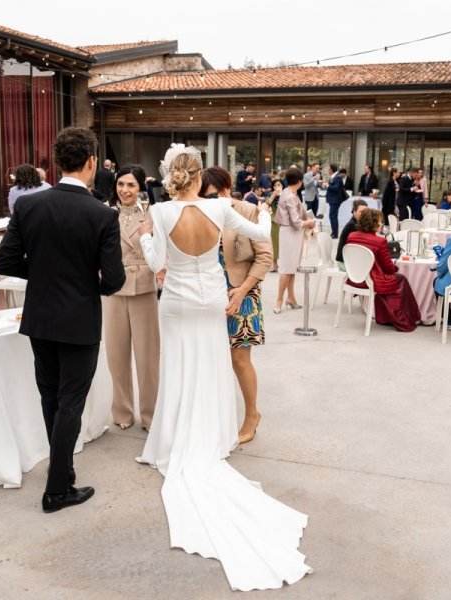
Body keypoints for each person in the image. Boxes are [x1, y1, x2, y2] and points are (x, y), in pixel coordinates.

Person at [136, 145, 310, 591]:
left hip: (174, 303)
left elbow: (158, 264)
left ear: (171, 176)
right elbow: (261, 231)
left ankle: (173, 440)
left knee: (177, 368)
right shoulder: (219, 206)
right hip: (211, 300)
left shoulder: (158, 212)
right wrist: (266, 209)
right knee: (214, 367)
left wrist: (144, 240)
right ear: (197, 177)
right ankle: (213, 435)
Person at [0, 127, 125, 513]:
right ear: (90, 164)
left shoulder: (28, 206)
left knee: (50, 395)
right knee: (70, 401)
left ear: (57, 162)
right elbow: (114, 279)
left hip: (40, 316)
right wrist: (86, 286)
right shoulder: (102, 214)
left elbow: (4, 262)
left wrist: (46, 275)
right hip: (79, 318)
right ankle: (56, 488)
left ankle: (63, 472)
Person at [200, 166, 273, 444]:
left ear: (227, 189)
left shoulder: (247, 212)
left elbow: (265, 257)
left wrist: (241, 291)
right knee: (211, 358)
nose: (209, 201)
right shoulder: (201, 214)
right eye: (204, 197)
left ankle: (252, 415)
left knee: (239, 359)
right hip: (208, 294)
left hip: (242, 293)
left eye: (213, 195)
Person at [104, 164, 161, 432]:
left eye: (131, 185)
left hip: (143, 289)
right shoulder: (105, 213)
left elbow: (160, 252)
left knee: (147, 356)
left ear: (140, 189)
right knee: (116, 354)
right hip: (113, 289)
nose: (125, 190)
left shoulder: (151, 214)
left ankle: (150, 414)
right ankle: (122, 411)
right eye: (121, 184)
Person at [346, 209, 421, 331]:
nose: (382, 224)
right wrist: (395, 267)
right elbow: (388, 268)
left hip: (354, 278)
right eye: (380, 222)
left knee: (392, 279)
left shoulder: (351, 236)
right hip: (371, 280)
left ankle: (383, 317)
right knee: (400, 279)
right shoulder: (380, 242)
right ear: (373, 223)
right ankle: (406, 318)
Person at [274, 167, 317, 314]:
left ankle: (290, 298)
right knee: (286, 269)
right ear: (299, 182)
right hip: (290, 233)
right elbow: (296, 222)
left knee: (291, 268)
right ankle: (279, 300)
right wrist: (309, 223)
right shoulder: (291, 196)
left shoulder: (289, 192)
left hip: (291, 233)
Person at [335, 198, 368, 270]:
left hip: (352, 260)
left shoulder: (360, 224)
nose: (364, 214)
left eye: (366, 212)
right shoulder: (352, 226)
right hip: (345, 262)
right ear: (354, 212)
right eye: (361, 212)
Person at [266, 178, 284, 272]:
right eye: (276, 185)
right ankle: (275, 264)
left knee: (285, 244)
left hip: (285, 222)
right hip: (274, 221)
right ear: (273, 187)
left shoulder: (286, 195)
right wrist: (274, 195)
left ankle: (286, 263)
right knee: (274, 243)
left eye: (280, 185)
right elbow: (267, 204)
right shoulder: (270, 195)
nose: (278, 187)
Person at [324, 163, 344, 238]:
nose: (328, 170)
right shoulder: (334, 176)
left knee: (333, 216)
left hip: (335, 200)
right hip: (333, 199)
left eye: (328, 169)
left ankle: (335, 234)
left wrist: (327, 185)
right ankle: (334, 232)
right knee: (333, 216)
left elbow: (336, 188)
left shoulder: (338, 177)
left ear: (331, 169)